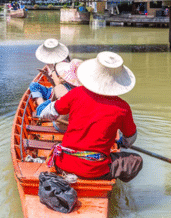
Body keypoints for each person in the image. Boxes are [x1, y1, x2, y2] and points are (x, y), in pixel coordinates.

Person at [41, 51, 143, 183]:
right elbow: (130, 139)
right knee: (136, 160)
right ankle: (109, 179)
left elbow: (47, 113)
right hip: (95, 171)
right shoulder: (123, 108)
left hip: (63, 165)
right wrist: (121, 142)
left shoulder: (76, 93)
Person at [29, 38, 81, 132]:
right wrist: (47, 77)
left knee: (41, 110)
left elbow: (59, 86)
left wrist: (52, 70)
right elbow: (56, 86)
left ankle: (44, 109)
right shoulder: (81, 92)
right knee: (34, 85)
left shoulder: (64, 65)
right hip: (55, 92)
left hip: (60, 99)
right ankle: (44, 106)